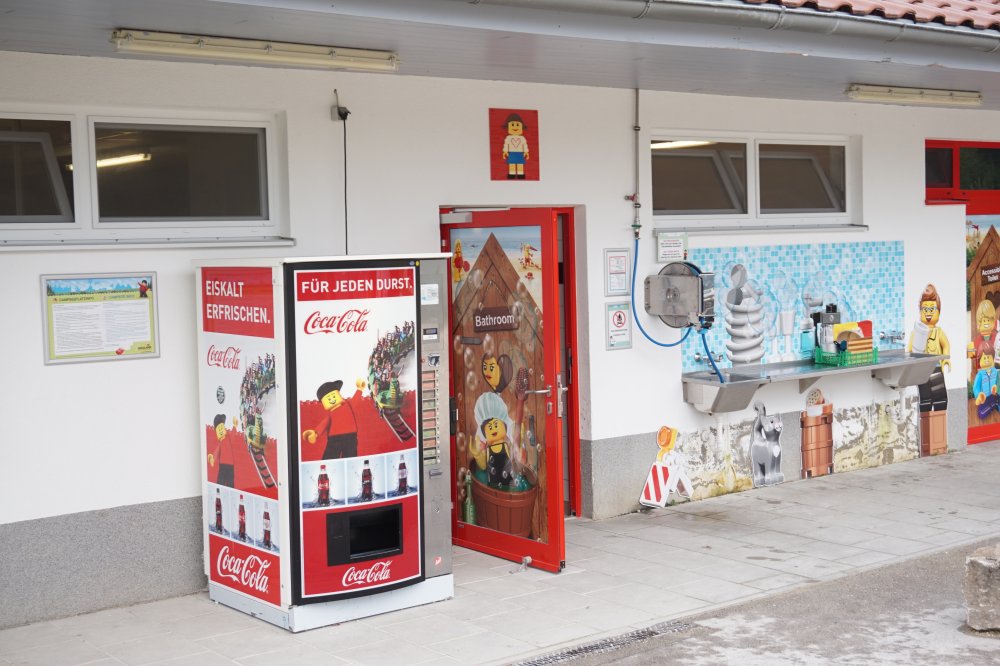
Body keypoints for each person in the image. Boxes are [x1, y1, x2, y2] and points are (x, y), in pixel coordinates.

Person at [303, 379, 366, 459]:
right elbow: (324, 424)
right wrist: (315, 434)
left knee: (350, 455)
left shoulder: (348, 405)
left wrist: (360, 389)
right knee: (330, 456)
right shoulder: (330, 415)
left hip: (350, 437)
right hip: (335, 439)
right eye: (328, 399)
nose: (332, 400)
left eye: (333, 396)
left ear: (338, 394)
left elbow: (355, 400)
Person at [208, 414, 239, 487]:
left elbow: (233, 435)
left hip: (230, 465)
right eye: (219, 430)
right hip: (223, 465)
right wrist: (213, 459)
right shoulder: (220, 443)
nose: (221, 430)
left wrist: (234, 426)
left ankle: (230, 491)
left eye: (222, 428)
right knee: (221, 481)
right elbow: (216, 452)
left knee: (230, 482)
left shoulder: (228, 438)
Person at [973, 340, 998, 419]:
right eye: (984, 358)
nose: (987, 360)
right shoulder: (980, 375)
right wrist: (978, 395)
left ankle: (994, 405)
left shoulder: (995, 371)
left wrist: (997, 389)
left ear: (992, 358)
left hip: (994, 396)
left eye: (988, 357)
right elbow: (976, 387)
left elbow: (998, 382)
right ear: (980, 359)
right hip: (985, 398)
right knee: (982, 414)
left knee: (996, 402)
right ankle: (991, 406)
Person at [501, 113, 529, 179]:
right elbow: (506, 145)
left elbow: (524, 145)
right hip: (511, 153)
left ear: (522, 127)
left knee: (520, 164)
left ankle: (520, 174)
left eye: (518, 125)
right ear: (508, 127)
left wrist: (526, 152)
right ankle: (512, 174)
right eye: (512, 125)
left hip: (520, 153)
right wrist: (505, 151)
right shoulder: (508, 138)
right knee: (512, 164)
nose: (515, 127)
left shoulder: (522, 138)